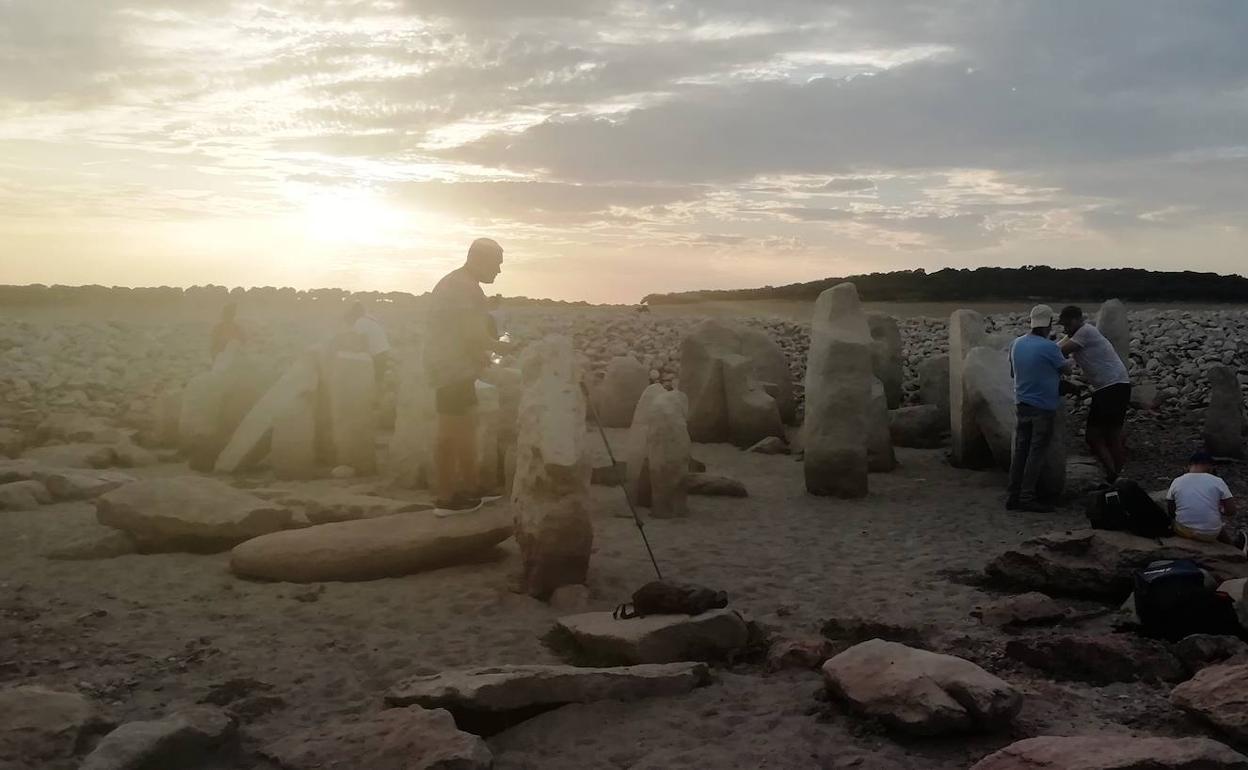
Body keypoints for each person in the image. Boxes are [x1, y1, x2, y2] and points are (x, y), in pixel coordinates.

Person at [424, 238, 507, 511]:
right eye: (496, 264)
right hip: (452, 369)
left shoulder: (459, 283)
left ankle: (471, 488)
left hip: (454, 366)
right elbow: (472, 336)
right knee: (451, 431)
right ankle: (447, 498)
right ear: (479, 259)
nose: (498, 271)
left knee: (465, 429)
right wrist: (506, 346)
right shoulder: (464, 288)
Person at [1006, 304, 1073, 512]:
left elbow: (1012, 373)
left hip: (1021, 404)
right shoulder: (1049, 347)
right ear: (1049, 324)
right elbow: (1067, 369)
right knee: (1036, 453)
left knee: (1020, 452)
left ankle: (1013, 496)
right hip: (1043, 407)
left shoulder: (1016, 344)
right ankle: (1027, 497)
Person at [1058, 305, 1132, 482]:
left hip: (1111, 387)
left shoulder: (1085, 332)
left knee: (1095, 436)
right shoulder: (1078, 333)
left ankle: (1114, 476)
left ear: (1076, 320)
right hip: (1114, 386)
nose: (1065, 329)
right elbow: (1057, 345)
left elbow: (1060, 351)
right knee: (1111, 434)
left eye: (1067, 325)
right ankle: (1115, 476)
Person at [1166, 451, 1245, 552]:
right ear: (1209, 466)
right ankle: (1234, 548)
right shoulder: (1217, 481)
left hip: (1184, 532)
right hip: (1210, 534)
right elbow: (1231, 511)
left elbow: (1171, 510)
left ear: (1189, 465)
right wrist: (1220, 511)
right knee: (1215, 523)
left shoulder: (1177, 481)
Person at [345, 301, 392, 382]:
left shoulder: (360, 322)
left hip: (377, 355)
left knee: (374, 380)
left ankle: (377, 393)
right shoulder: (371, 319)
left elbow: (363, 340)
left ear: (355, 313)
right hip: (385, 351)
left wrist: (357, 351)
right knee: (380, 379)